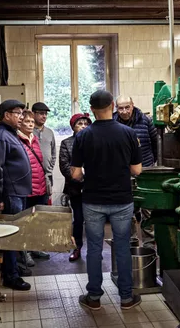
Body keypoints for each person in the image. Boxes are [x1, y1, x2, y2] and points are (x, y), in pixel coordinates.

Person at [71, 90, 142, 311]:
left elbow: (75, 174)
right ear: (112, 105)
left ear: (91, 109)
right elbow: (137, 170)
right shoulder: (128, 133)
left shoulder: (83, 136)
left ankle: (93, 297)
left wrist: (86, 176)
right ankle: (127, 298)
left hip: (92, 200)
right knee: (122, 247)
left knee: (93, 249)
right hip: (122, 200)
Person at [0, 99, 31, 291]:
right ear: (6, 115)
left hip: (17, 193)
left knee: (15, 233)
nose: (21, 117)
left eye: (22, 113)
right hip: (10, 195)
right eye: (18, 113)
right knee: (11, 235)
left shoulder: (10, 134)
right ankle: (11, 276)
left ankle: (13, 269)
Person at [17, 109, 50, 266]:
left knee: (37, 220)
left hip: (40, 187)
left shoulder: (34, 139)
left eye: (31, 122)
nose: (30, 124)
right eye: (26, 122)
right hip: (25, 188)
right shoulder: (16, 140)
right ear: (20, 123)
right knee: (24, 221)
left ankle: (35, 247)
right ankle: (25, 253)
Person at [59, 113, 92, 262]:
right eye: (80, 124)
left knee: (94, 220)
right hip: (75, 188)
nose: (83, 126)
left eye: (86, 124)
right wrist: (80, 175)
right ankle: (77, 247)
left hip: (93, 188)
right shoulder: (66, 143)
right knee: (78, 219)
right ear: (73, 126)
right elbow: (65, 166)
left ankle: (93, 249)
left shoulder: (95, 140)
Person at [114, 96, 157, 167]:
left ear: (132, 106)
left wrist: (152, 161)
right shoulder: (113, 123)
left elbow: (155, 143)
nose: (124, 112)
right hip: (121, 168)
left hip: (145, 166)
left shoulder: (146, 120)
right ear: (116, 108)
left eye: (127, 107)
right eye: (121, 108)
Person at [32, 102, 56, 195]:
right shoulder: (28, 131)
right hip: (32, 177)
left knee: (45, 204)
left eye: (46, 114)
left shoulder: (49, 132)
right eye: (41, 113)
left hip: (47, 175)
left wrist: (50, 167)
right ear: (33, 114)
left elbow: (53, 153)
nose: (44, 116)